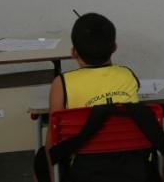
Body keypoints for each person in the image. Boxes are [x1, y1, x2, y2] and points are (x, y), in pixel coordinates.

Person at [33, 12, 140, 182]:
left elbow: (53, 141)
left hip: (84, 169)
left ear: (73, 52)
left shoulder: (61, 84)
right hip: (131, 165)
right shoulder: (128, 75)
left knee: (41, 157)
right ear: (114, 48)